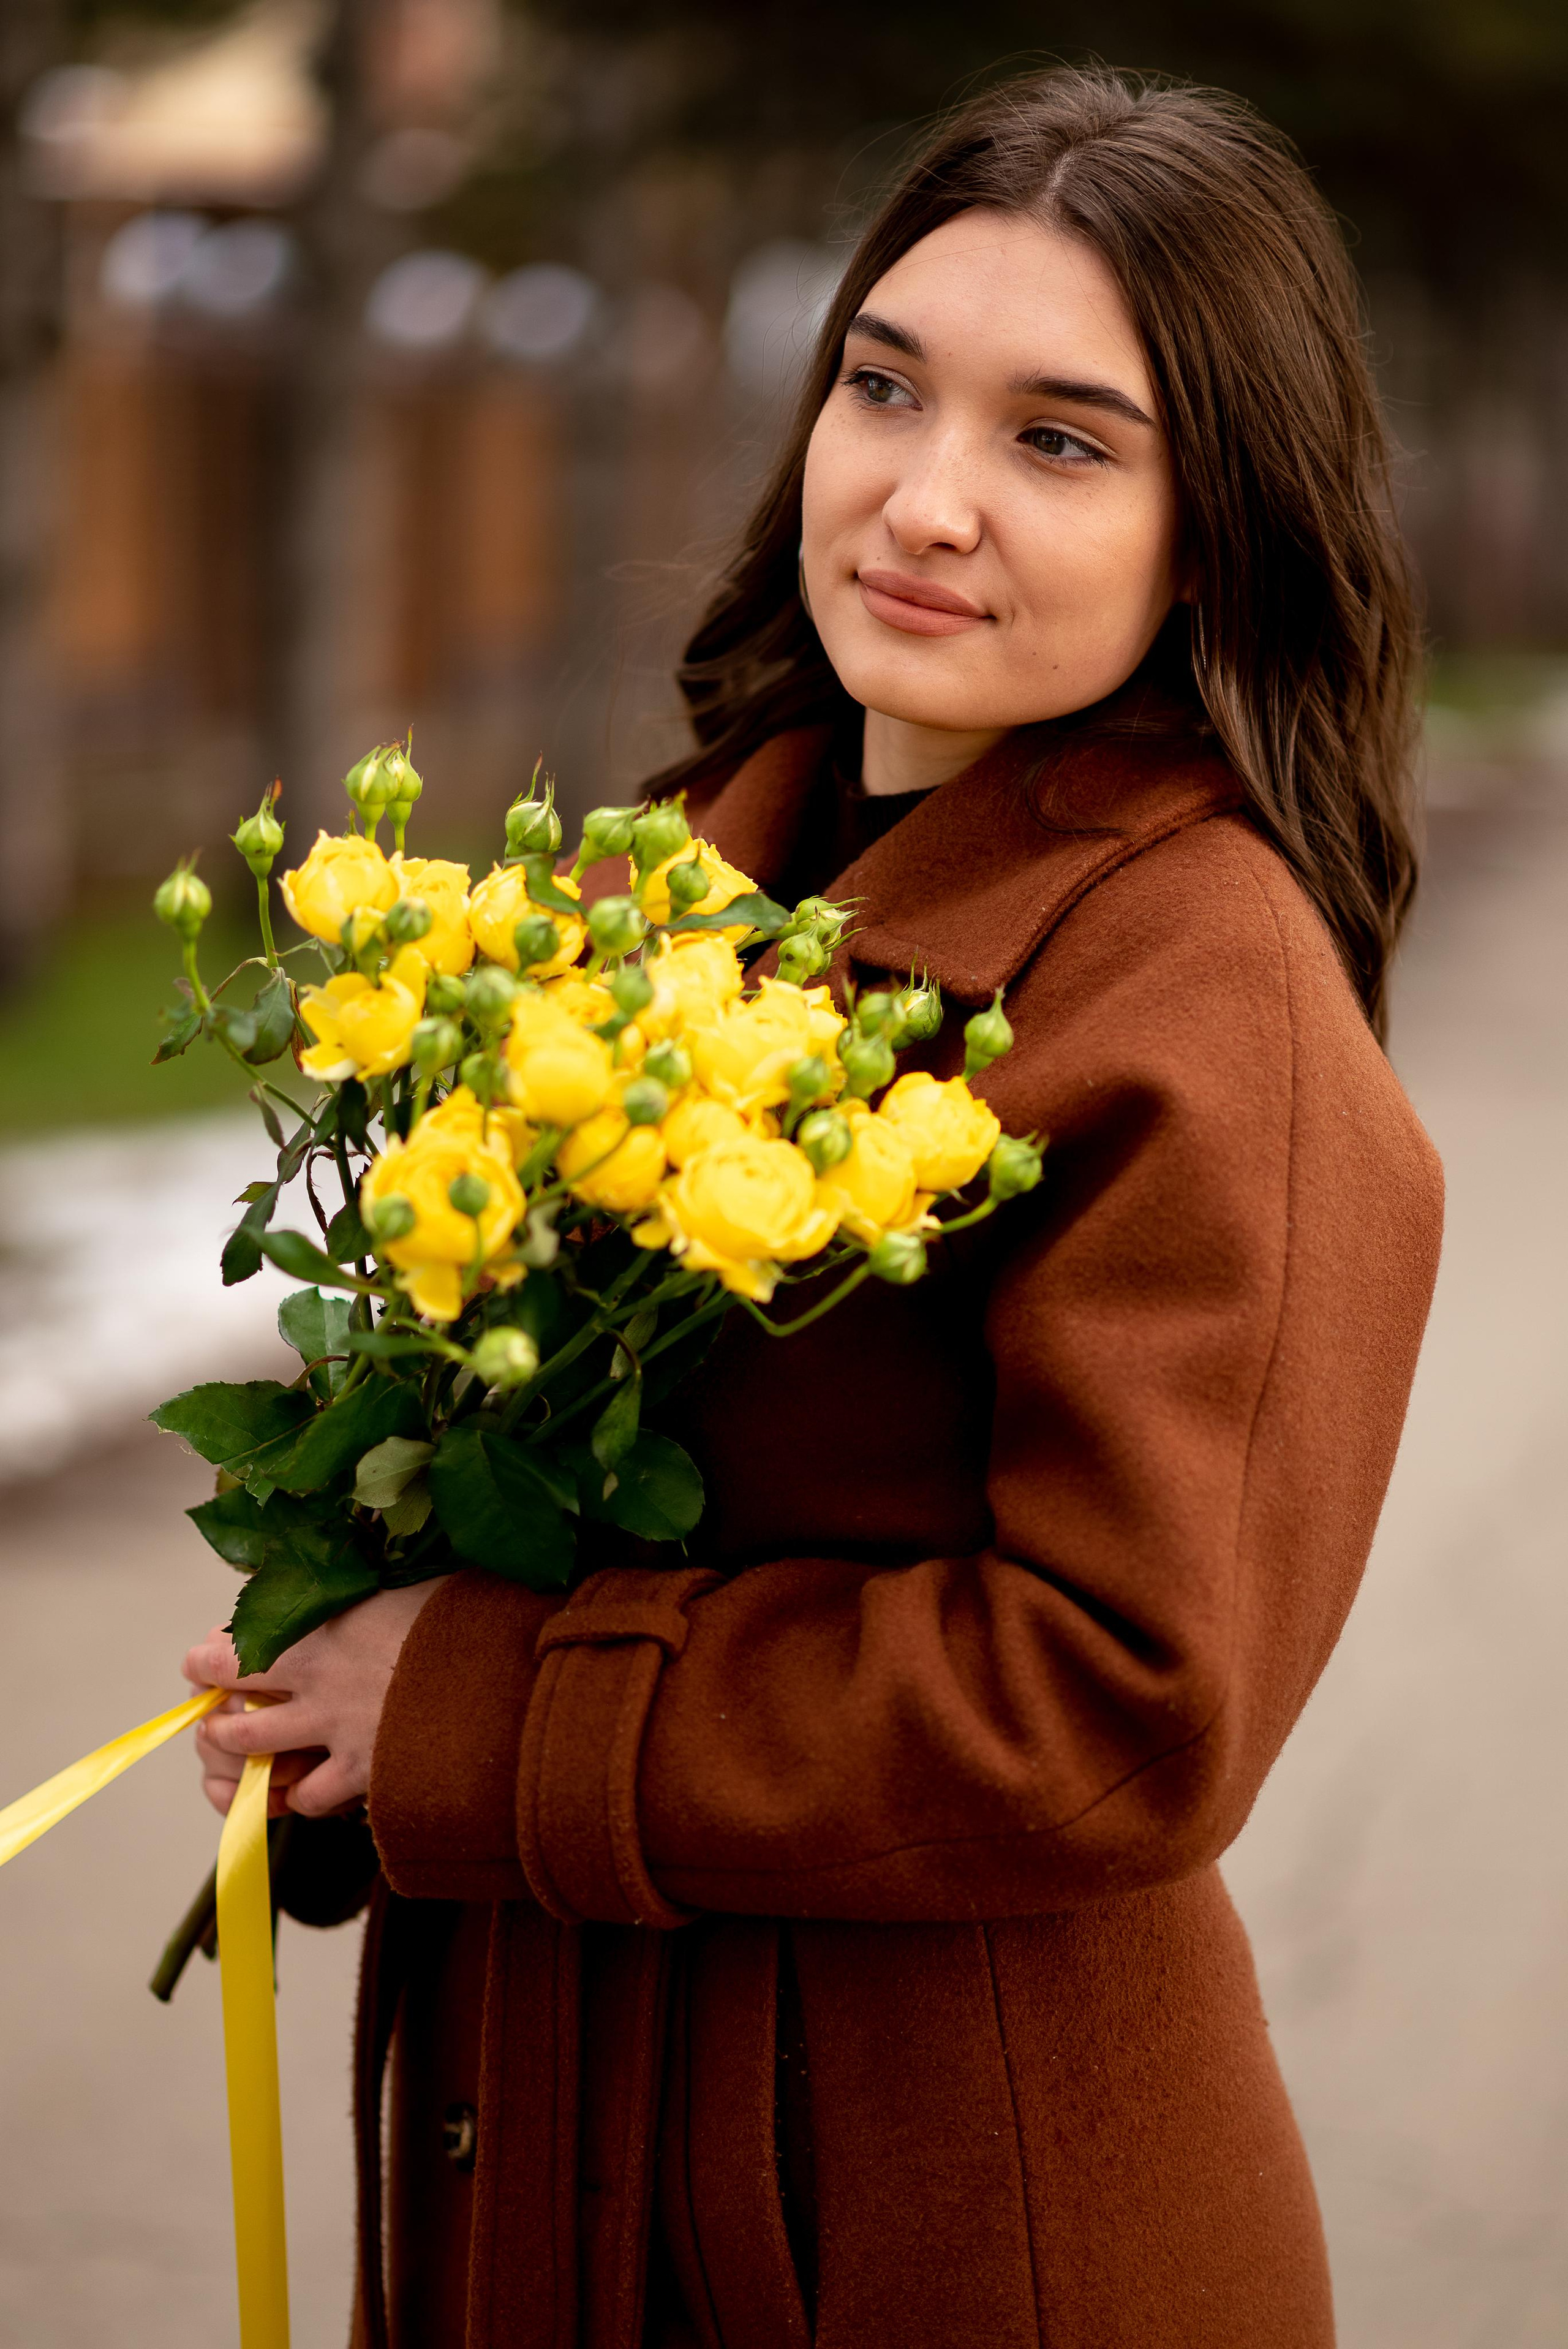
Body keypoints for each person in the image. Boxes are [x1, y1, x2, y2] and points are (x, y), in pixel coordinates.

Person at [185, 65, 1444, 2349]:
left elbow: (1121, 1704)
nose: (925, 498)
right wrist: (357, 1686)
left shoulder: (1206, 990)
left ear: (1219, 527)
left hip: (922, 2237)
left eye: (1061, 441)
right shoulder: (672, 886)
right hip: (553, 2180)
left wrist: (477, 1710)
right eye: (885, 386)